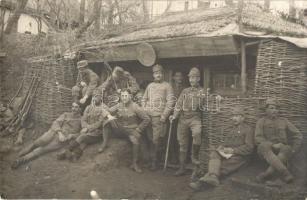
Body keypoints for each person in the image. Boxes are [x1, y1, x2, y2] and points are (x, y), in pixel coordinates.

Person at [189, 106, 254, 190]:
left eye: (237, 116)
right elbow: (226, 143)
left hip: (240, 157)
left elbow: (249, 147)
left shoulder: (248, 130)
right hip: (229, 154)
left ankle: (202, 183)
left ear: (243, 118)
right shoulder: (232, 129)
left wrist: (233, 150)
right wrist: (222, 147)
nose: (233, 118)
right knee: (214, 153)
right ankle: (212, 178)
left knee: (220, 166)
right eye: (233, 116)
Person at [11, 102, 82, 169]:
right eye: (72, 107)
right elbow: (55, 123)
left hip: (62, 140)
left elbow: (81, 133)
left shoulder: (81, 120)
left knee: (42, 149)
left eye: (76, 107)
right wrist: (59, 133)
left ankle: (20, 160)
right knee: (40, 142)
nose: (73, 109)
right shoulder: (66, 114)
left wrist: (72, 135)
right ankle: (25, 150)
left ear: (80, 109)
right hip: (55, 132)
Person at [101, 89, 150, 173]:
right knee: (108, 121)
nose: (124, 98)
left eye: (126, 96)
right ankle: (104, 143)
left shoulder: (135, 107)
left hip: (130, 130)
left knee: (135, 141)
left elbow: (147, 119)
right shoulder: (118, 105)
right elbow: (105, 110)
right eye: (122, 96)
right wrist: (109, 116)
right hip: (120, 129)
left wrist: (139, 129)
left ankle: (134, 164)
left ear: (130, 96)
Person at [255, 98, 302, 183]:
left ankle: (266, 174)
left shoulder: (284, 121)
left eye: (276, 108)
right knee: (263, 146)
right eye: (271, 108)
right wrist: (272, 145)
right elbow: (258, 138)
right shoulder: (261, 121)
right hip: (267, 151)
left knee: (287, 148)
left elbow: (298, 135)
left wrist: (294, 149)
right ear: (266, 110)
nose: (274, 110)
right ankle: (286, 173)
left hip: (282, 150)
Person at [59, 90, 115, 161]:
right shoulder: (88, 107)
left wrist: (87, 129)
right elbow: (83, 119)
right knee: (85, 140)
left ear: (101, 97)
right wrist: (85, 127)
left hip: (97, 133)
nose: (95, 98)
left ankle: (66, 150)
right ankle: (76, 155)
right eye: (94, 96)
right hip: (88, 131)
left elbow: (99, 123)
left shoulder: (104, 108)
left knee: (83, 136)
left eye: (97, 96)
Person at [169, 67, 205, 176]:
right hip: (183, 118)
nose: (192, 80)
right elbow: (179, 104)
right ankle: (182, 167)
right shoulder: (185, 91)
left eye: (194, 78)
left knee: (197, 133)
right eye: (190, 78)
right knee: (182, 143)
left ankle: (194, 158)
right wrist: (174, 116)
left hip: (195, 118)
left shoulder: (202, 91)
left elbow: (204, 105)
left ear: (198, 79)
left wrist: (203, 99)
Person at [142, 64, 175, 170]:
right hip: (148, 116)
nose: (158, 75)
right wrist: (144, 110)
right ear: (153, 75)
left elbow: (170, 102)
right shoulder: (150, 86)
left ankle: (154, 162)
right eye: (156, 73)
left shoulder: (167, 86)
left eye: (160, 73)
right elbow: (144, 99)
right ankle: (149, 160)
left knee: (157, 140)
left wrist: (164, 115)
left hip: (159, 117)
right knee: (149, 138)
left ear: (163, 74)